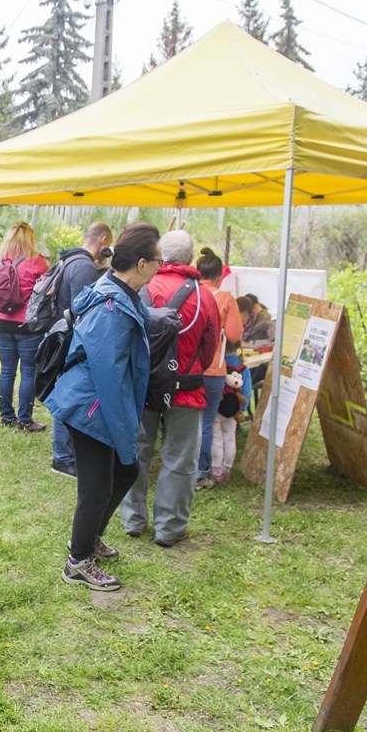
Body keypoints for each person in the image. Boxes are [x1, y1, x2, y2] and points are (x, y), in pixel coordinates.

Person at [46, 223, 163, 592]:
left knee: (126, 471)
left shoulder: (124, 293)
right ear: (142, 264)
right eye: (159, 261)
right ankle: (77, 562)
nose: (161, 266)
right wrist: (124, 429)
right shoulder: (112, 307)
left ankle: (89, 536)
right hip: (90, 407)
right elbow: (108, 376)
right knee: (96, 488)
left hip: (97, 401)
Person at [119, 230, 220, 547]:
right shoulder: (204, 297)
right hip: (186, 388)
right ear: (191, 257)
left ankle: (132, 519)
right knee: (180, 459)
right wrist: (189, 369)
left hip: (142, 386)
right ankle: (170, 527)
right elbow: (210, 347)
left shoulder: (139, 288)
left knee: (136, 451)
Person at [49, 222, 113, 477]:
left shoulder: (69, 259)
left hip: (60, 336)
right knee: (68, 397)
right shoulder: (85, 266)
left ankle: (65, 454)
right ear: (104, 240)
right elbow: (83, 309)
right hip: (72, 341)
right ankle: (63, 457)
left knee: (66, 393)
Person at [0, 221, 50, 432]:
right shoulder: (37, 262)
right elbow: (46, 295)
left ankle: (6, 416)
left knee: (7, 370)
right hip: (27, 324)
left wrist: (4, 309)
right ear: (30, 238)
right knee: (28, 371)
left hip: (1, 323)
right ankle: (25, 420)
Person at [194, 247, 241, 486]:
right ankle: (201, 471)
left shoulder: (189, 293)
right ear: (219, 276)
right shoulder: (225, 298)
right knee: (207, 422)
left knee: (183, 421)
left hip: (187, 367)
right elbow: (234, 335)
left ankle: (181, 468)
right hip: (213, 368)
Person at [206, 342, 252, 487]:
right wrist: (241, 409)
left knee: (216, 440)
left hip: (216, 408)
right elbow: (246, 391)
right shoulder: (243, 368)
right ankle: (227, 469)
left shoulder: (217, 364)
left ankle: (216, 471)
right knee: (230, 439)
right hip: (233, 411)